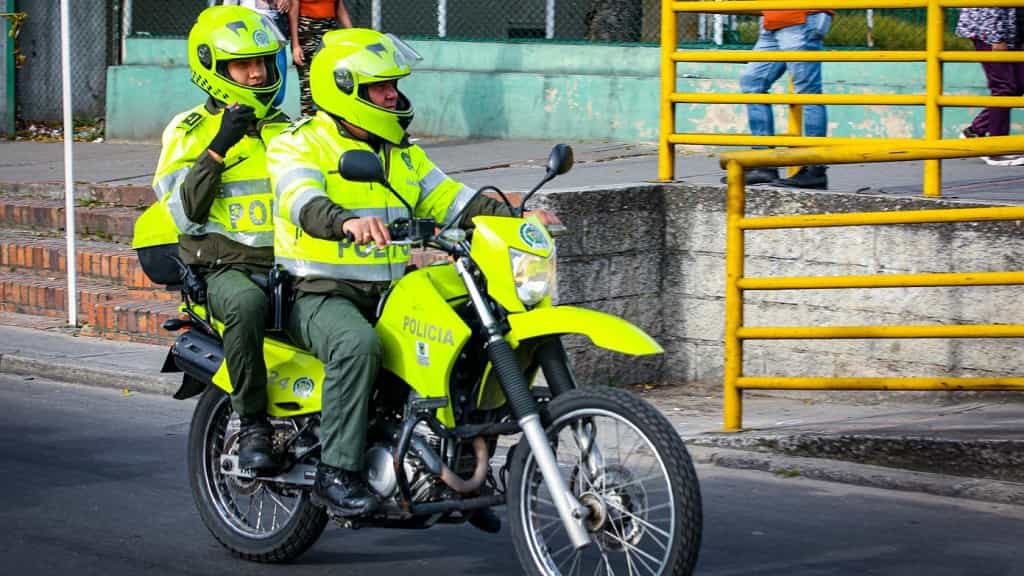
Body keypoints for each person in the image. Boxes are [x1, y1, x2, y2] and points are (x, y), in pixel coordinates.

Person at [266, 28, 559, 519]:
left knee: (467, 333)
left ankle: (464, 468)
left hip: (389, 289)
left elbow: (451, 200)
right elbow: (302, 203)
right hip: (318, 292)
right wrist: (347, 221)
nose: (394, 97)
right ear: (345, 90)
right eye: (380, 88)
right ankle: (338, 472)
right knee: (356, 345)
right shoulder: (299, 145)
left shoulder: (398, 151)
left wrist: (515, 214)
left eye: (394, 86)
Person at [152, 5, 290, 471]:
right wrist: (218, 147)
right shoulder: (188, 130)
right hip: (225, 269)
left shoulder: (287, 128)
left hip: (293, 265)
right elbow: (185, 213)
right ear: (213, 67)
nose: (256, 74)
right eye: (243, 65)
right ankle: (253, 423)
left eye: (263, 63)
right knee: (247, 306)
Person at [732, 9, 834, 189]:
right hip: (773, 18)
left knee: (807, 91)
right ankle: (763, 162)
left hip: (802, 17)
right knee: (752, 82)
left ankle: (815, 168)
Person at [956, 7, 1024, 166]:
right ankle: (996, 149)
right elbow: (992, 6)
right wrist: (996, 37)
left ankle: (975, 131)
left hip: (1011, 30)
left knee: (1019, 84)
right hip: (990, 29)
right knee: (1004, 87)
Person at [221, 1, 292, 108]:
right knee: (245, 91)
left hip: (274, 33)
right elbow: (227, 10)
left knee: (277, 95)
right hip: (246, 34)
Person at [290, 0, 353, 116]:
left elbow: (339, 7)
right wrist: (295, 45)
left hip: (330, 29)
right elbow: (293, 10)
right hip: (307, 29)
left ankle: (330, 121)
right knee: (308, 82)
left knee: (331, 78)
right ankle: (308, 120)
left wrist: (353, 33)